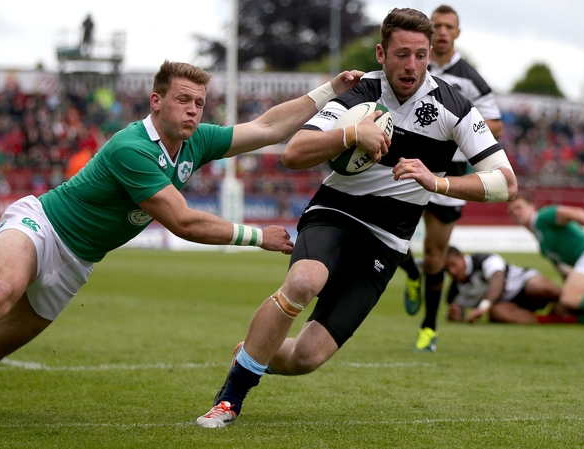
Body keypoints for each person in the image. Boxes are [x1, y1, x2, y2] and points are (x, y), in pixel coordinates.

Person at [0, 61, 366, 415]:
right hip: (40, 226)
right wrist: (257, 236)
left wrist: (328, 92)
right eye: (182, 101)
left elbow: (266, 127)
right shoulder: (133, 147)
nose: (194, 111)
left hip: (77, 264)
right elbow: (183, 222)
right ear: (156, 101)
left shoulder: (196, 141)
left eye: (199, 103)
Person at [195, 8, 518, 428]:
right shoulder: (360, 91)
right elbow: (294, 153)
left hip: (388, 239)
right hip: (336, 211)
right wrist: (352, 133)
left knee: (307, 357)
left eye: (421, 55)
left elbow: (505, 182)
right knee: (304, 282)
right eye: (402, 54)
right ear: (382, 53)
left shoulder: (454, 107)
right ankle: (230, 399)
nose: (412, 65)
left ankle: (251, 351)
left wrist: (436, 184)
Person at [398, 4, 505, 352]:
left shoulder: (471, 80)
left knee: (434, 254)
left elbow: (497, 126)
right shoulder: (410, 65)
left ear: (457, 33)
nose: (442, 32)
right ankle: (411, 276)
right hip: (407, 164)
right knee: (387, 232)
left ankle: (428, 326)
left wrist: (456, 129)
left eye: (449, 27)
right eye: (437, 26)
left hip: (451, 174)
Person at [506, 193, 584, 328]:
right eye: (511, 212)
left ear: (532, 207)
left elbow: (577, 213)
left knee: (570, 298)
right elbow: (564, 271)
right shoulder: (542, 244)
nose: (516, 213)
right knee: (563, 308)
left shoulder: (544, 216)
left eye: (518, 208)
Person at [443, 246, 584, 324]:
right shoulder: (454, 292)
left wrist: (483, 306)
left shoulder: (483, 259)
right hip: (508, 304)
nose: (452, 271)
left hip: (523, 284)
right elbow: (458, 312)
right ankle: (559, 320)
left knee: (539, 286)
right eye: (447, 269)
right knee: (497, 314)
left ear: (461, 257)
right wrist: (456, 315)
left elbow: (498, 280)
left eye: (454, 265)